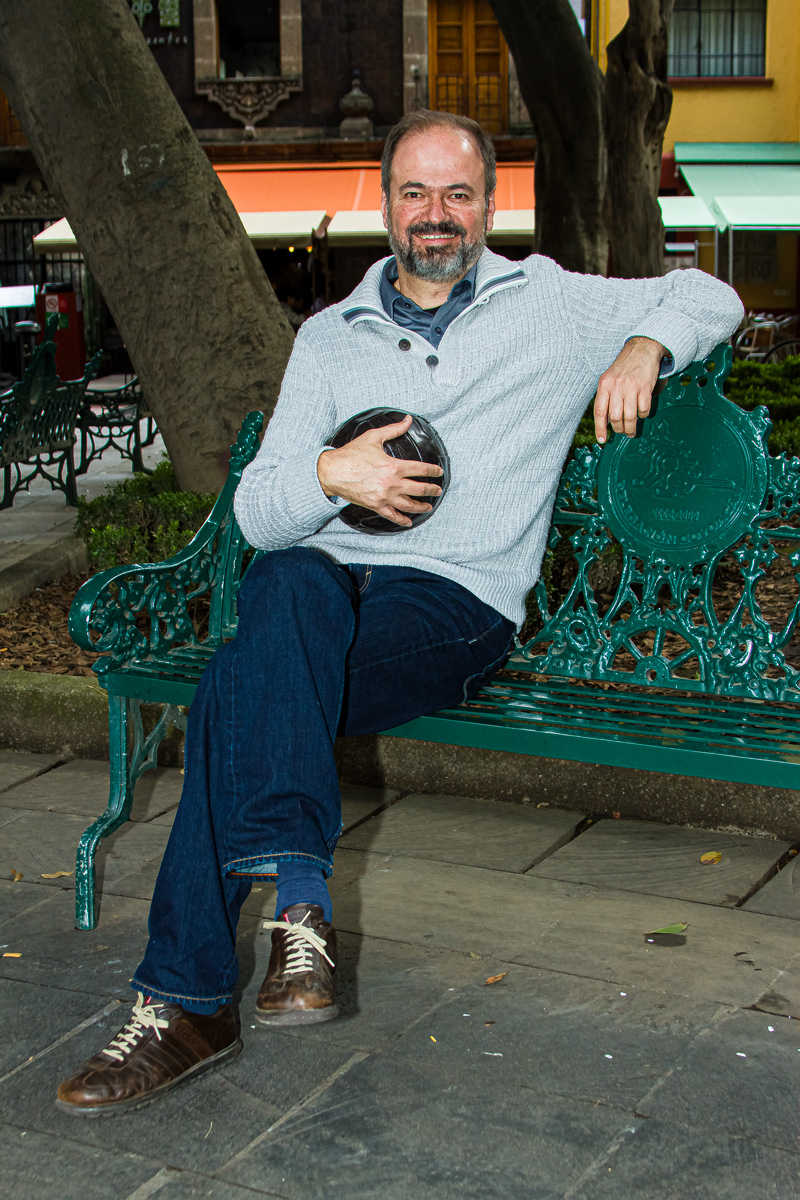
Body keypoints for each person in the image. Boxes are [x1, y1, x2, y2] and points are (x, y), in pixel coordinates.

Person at [56, 110, 743, 1116]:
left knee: (234, 690)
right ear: (384, 206)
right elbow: (256, 510)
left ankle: (189, 999)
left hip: (452, 605)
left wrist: (643, 345)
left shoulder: (547, 302)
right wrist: (333, 473)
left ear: (487, 206)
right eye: (414, 194)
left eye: (457, 193)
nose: (436, 215)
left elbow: (705, 288)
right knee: (283, 587)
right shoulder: (331, 338)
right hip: (318, 597)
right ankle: (295, 912)